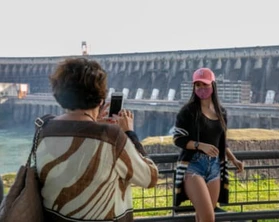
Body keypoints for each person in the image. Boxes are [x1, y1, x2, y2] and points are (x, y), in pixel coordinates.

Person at [36, 58, 158, 221]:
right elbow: (150, 178)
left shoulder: (43, 128)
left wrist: (92, 123)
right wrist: (129, 133)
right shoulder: (111, 137)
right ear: (101, 99)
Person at [173, 67, 244, 222]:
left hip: (214, 167)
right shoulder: (187, 111)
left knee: (203, 216)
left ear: (213, 85)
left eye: (205, 85)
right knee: (208, 218)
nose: (201, 89)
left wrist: (233, 159)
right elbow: (178, 139)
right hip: (193, 166)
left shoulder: (221, 112)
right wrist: (200, 145)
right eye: (197, 85)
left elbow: (221, 142)